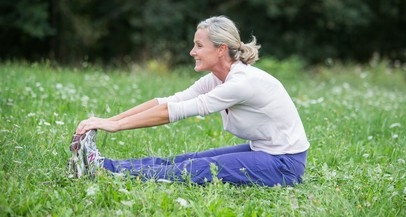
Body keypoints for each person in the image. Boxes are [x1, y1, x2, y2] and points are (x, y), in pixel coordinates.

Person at [67, 15, 310, 187]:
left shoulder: (240, 83)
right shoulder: (216, 78)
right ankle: (103, 165)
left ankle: (104, 170)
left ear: (220, 49)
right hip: (265, 151)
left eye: (199, 45)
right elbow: (169, 100)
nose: (192, 51)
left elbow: (176, 111)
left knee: (194, 170)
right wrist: (107, 121)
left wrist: (116, 127)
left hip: (284, 164)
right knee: (189, 160)